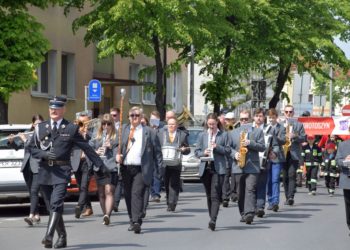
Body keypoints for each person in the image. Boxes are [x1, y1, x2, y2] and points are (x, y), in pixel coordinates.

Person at [29, 96, 109, 248]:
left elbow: (87, 148)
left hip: (61, 171)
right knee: (51, 207)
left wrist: (101, 165)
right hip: (44, 170)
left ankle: (49, 236)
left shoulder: (71, 129)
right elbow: (31, 149)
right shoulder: (41, 127)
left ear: (63, 110)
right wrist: (44, 154)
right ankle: (63, 237)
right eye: (51, 107)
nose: (53, 110)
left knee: (56, 203)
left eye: (57, 107)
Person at [116, 106, 163, 234]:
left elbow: (157, 153)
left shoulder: (149, 132)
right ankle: (132, 219)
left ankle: (136, 221)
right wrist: (117, 155)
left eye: (137, 115)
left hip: (141, 168)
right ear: (129, 117)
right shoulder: (124, 130)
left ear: (141, 117)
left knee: (136, 193)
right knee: (128, 195)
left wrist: (159, 171)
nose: (134, 118)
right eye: (132, 115)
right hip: (126, 167)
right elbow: (117, 146)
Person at [228, 109, 265, 224]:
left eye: (246, 119)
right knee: (240, 192)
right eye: (242, 119)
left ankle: (249, 213)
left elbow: (262, 147)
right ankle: (243, 213)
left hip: (252, 166)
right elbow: (228, 148)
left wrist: (250, 143)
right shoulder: (233, 133)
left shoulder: (257, 132)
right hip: (238, 166)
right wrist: (235, 154)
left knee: (250, 189)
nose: (244, 121)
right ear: (239, 120)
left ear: (250, 119)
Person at [195, 113, 230, 231]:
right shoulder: (202, 135)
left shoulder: (224, 135)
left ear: (217, 123)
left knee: (215, 194)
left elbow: (228, 150)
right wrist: (203, 153)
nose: (211, 126)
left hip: (218, 168)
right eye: (209, 124)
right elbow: (196, 151)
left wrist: (217, 147)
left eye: (213, 124)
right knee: (209, 195)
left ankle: (213, 219)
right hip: (206, 168)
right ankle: (212, 217)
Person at [8, 114, 44, 226]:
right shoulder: (27, 133)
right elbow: (17, 147)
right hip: (27, 167)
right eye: (36, 123)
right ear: (33, 124)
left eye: (40, 123)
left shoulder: (44, 135)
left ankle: (31, 216)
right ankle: (37, 215)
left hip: (38, 167)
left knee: (34, 191)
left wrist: (25, 140)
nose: (38, 125)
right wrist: (11, 141)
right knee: (32, 192)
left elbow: (35, 148)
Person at [89, 113, 118, 225]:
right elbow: (89, 147)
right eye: (104, 124)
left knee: (109, 191)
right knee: (101, 193)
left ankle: (108, 215)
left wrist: (111, 146)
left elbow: (119, 150)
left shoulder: (116, 136)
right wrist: (96, 152)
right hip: (99, 166)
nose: (106, 126)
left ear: (112, 124)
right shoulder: (97, 134)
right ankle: (104, 214)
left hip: (111, 167)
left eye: (108, 124)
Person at [159, 117, 190, 212]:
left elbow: (188, 149)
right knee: (167, 183)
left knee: (174, 184)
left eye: (173, 124)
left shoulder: (182, 135)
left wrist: (184, 150)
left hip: (176, 163)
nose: (171, 126)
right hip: (164, 163)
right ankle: (169, 200)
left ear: (177, 125)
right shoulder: (161, 134)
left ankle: (172, 203)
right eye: (169, 124)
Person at [280, 104, 306, 205]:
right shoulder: (280, 124)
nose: (288, 113)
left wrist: (295, 135)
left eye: (290, 112)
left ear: (293, 113)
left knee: (292, 174)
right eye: (286, 112)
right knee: (285, 176)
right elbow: (276, 137)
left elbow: (303, 138)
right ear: (284, 113)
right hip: (283, 153)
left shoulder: (299, 124)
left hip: (294, 153)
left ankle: (291, 197)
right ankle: (287, 196)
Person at [71, 112, 94, 219]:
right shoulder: (75, 132)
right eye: (81, 122)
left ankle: (79, 207)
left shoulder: (92, 132)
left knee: (84, 186)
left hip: (87, 162)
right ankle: (88, 208)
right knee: (81, 187)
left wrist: (86, 135)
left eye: (85, 122)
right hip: (76, 161)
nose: (83, 124)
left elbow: (96, 142)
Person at [266, 109, 286, 212]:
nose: (271, 119)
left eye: (273, 117)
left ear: (276, 117)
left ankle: (275, 202)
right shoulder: (265, 128)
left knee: (275, 179)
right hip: (266, 157)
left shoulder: (281, 128)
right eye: (270, 117)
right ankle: (269, 201)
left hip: (277, 157)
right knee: (268, 180)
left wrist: (275, 136)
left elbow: (283, 141)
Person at [253, 108, 271, 218]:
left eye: (261, 116)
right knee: (252, 185)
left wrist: (272, 152)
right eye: (257, 116)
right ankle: (252, 205)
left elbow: (273, 144)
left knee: (261, 185)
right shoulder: (250, 129)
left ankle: (260, 207)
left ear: (264, 118)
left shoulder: (268, 129)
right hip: (252, 161)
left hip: (264, 161)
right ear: (253, 117)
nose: (259, 118)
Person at [335, 136, 350, 236]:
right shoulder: (342, 144)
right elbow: (337, 160)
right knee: (349, 205)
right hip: (347, 179)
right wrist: (346, 160)